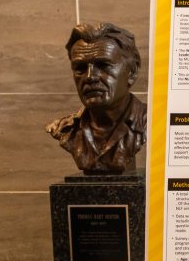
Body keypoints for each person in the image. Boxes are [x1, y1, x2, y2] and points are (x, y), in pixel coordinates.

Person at [46, 22, 148, 174]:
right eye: (80, 68)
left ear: (132, 72)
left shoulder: (153, 122)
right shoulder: (66, 130)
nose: (90, 77)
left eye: (103, 65)